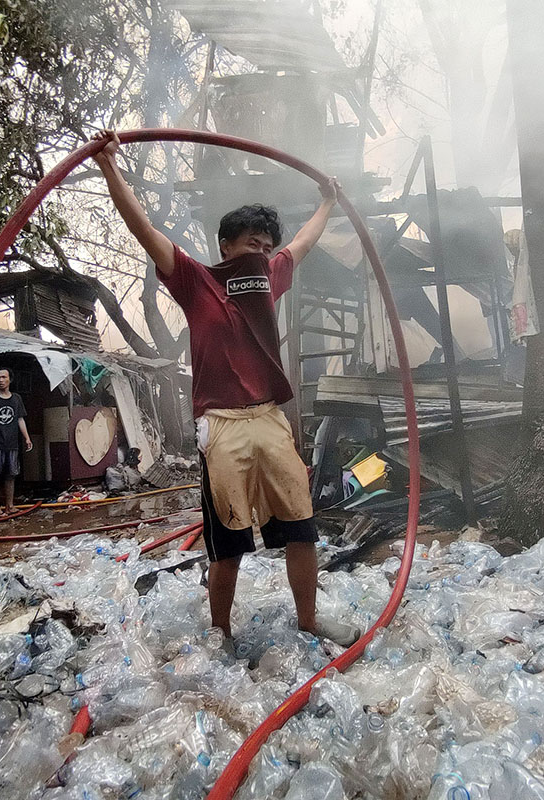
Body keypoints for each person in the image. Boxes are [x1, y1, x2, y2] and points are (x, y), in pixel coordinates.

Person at [92, 129, 358, 645]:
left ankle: (309, 619)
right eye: (251, 244)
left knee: (301, 526)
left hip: (267, 418)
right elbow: (142, 228)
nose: (260, 252)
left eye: (266, 246)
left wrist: (328, 200)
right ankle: (221, 632)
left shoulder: (270, 278)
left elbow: (303, 241)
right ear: (225, 245)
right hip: (221, 426)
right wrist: (109, 168)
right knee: (228, 542)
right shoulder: (195, 280)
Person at [0, 369, 33, 517]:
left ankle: (10, 506)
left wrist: (27, 438)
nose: (0, 380)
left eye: (4, 377)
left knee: (11, 475)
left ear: (10, 380)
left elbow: (20, 419)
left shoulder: (16, 399)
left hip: (12, 443)